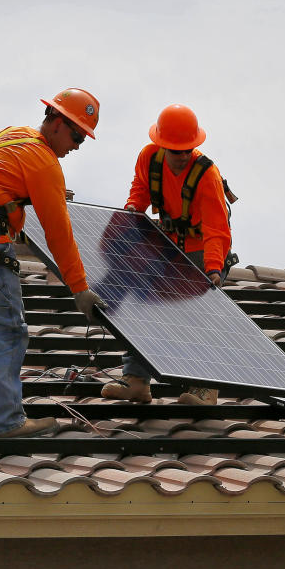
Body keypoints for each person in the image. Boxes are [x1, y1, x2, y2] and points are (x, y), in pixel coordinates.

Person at [0, 88, 107, 437]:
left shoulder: (12, 136)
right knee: (7, 330)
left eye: (83, 140)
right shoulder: (44, 161)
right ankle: (7, 421)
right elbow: (59, 235)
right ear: (56, 123)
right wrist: (80, 289)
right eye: (76, 135)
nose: (77, 145)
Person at [101, 104, 232, 406]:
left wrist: (213, 268)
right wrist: (132, 212)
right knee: (141, 303)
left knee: (199, 313)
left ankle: (205, 388)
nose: (183, 156)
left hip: (202, 248)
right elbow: (140, 191)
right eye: (176, 150)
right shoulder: (149, 158)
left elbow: (217, 229)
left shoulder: (207, 175)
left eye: (188, 150)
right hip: (168, 242)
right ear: (161, 145)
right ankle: (136, 380)